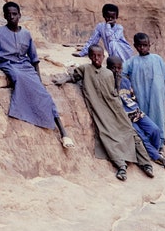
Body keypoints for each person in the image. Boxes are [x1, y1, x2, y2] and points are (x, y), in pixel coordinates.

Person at [0, 1, 74, 149]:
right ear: (4, 15)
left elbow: (34, 59)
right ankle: (26, 113)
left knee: (44, 94)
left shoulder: (26, 34)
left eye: (14, 14)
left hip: (25, 66)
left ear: (20, 15)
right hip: (8, 64)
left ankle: (64, 133)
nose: (11, 16)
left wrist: (38, 79)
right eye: (8, 14)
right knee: (19, 79)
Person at [65, 44, 156, 180]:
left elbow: (114, 94)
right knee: (107, 136)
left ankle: (146, 164)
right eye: (93, 55)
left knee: (131, 133)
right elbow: (74, 77)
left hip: (116, 109)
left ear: (103, 57)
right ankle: (121, 166)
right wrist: (63, 79)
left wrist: (118, 82)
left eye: (99, 56)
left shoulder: (108, 73)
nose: (96, 59)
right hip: (101, 112)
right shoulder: (85, 69)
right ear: (89, 56)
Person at [109, 55, 165, 172]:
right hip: (125, 117)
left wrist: (137, 110)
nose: (117, 71)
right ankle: (160, 159)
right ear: (108, 68)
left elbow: (132, 97)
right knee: (141, 136)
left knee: (155, 130)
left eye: (119, 68)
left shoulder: (125, 81)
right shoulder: (108, 83)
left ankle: (152, 153)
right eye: (113, 68)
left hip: (136, 112)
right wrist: (117, 83)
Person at [123, 31, 165, 139]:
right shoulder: (132, 61)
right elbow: (121, 73)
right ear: (135, 46)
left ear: (149, 45)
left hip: (157, 95)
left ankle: (159, 142)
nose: (142, 48)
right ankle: (146, 142)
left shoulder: (157, 59)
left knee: (158, 116)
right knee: (143, 116)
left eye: (145, 45)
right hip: (140, 95)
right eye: (139, 45)